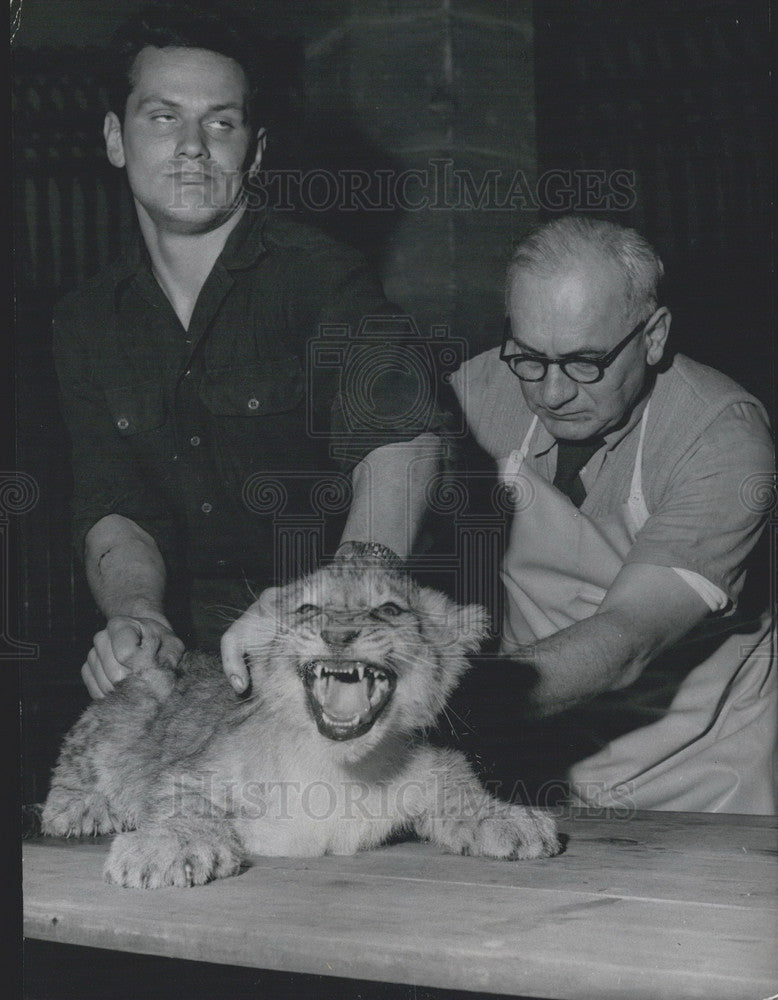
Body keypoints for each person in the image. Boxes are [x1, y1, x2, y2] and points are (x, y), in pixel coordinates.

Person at [53, 2, 444, 700]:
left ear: (254, 153)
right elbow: (115, 506)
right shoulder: (85, 320)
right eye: (163, 116)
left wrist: (336, 601)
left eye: (221, 123)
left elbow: (403, 441)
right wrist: (137, 615)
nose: (193, 146)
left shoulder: (322, 276)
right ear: (115, 138)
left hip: (336, 655)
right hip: (192, 671)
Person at [450, 215, 776, 814]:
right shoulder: (479, 389)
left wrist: (439, 703)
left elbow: (626, 640)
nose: (551, 393)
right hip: (530, 759)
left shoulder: (721, 437)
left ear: (653, 336)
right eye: (529, 357)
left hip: (697, 778)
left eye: (585, 362)